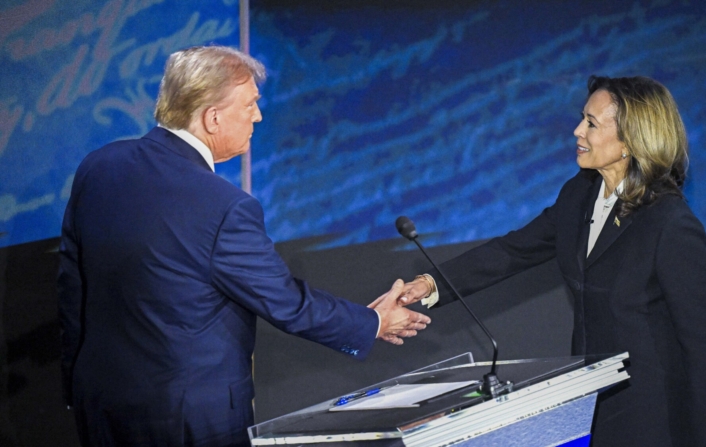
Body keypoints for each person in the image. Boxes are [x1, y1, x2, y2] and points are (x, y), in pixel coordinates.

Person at [57, 45, 431, 447]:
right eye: (251, 103)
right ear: (212, 118)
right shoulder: (223, 206)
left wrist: (76, 384)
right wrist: (372, 323)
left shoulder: (99, 166)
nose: (258, 115)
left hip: (101, 402)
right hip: (189, 418)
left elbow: (72, 285)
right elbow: (287, 303)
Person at [397, 76, 706, 446]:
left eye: (591, 123)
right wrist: (431, 284)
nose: (576, 131)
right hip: (592, 402)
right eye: (581, 118)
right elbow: (514, 250)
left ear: (631, 140)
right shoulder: (579, 193)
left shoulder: (669, 222)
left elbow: (704, 349)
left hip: (652, 413)